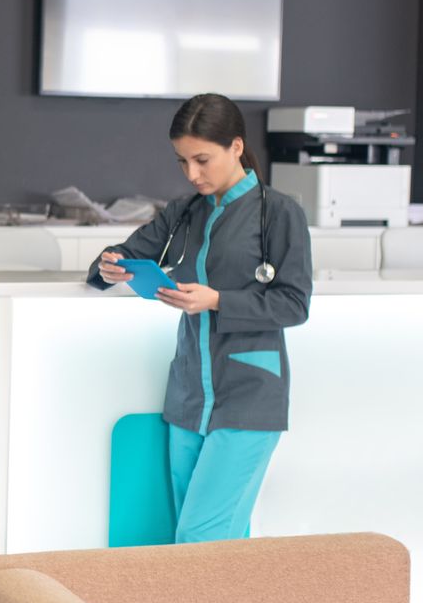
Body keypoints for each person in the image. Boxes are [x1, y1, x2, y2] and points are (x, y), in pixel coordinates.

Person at [90, 93, 312, 543]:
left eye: (202, 160)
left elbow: (294, 303)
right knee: (208, 545)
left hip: (249, 397)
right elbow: (126, 255)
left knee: (198, 538)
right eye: (182, 162)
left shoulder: (280, 213)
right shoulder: (184, 212)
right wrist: (109, 265)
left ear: (235, 147)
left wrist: (217, 301)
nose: (192, 174)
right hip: (190, 398)